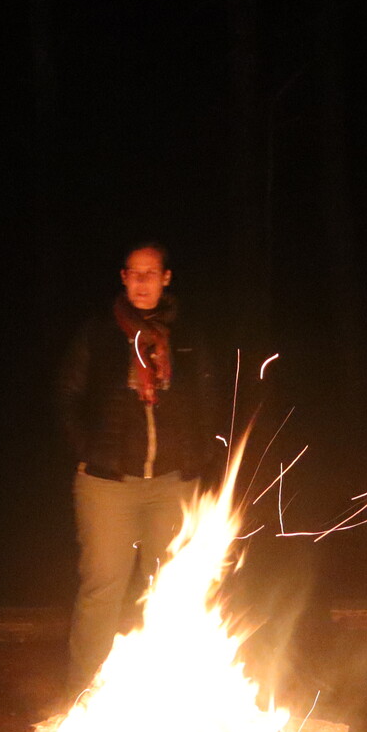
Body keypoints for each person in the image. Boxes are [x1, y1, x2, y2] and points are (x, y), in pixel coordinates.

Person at [56, 243, 215, 698]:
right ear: (123, 278)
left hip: (172, 483)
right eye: (135, 274)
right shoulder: (99, 333)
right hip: (108, 484)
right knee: (102, 588)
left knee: (170, 590)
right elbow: (66, 394)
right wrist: (89, 451)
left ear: (167, 278)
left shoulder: (185, 335)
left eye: (152, 273)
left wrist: (199, 456)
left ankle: (168, 697)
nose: (143, 282)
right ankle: (82, 699)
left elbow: (208, 396)